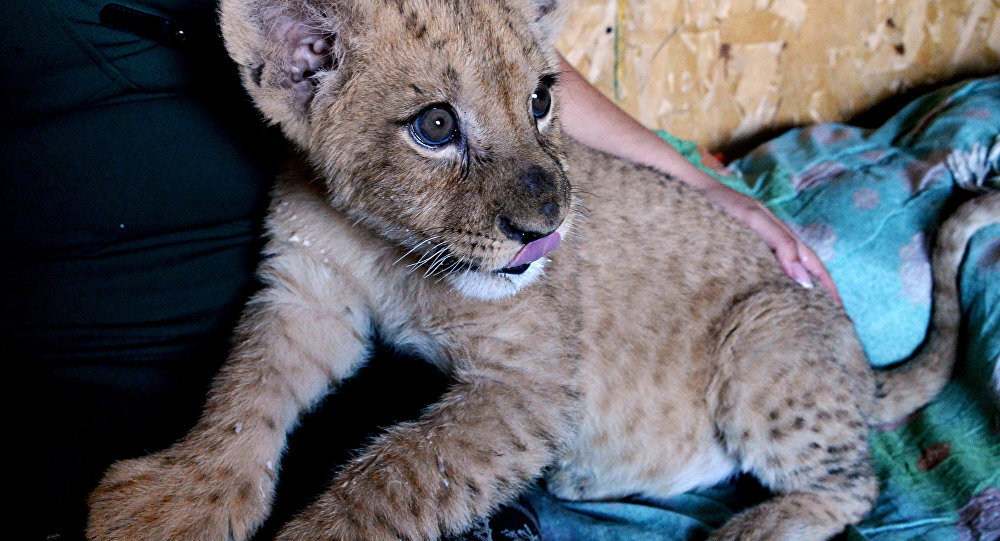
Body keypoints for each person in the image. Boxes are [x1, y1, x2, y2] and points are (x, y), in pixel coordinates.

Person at [3, 2, 837, 540]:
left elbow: (522, 399)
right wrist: (218, 461)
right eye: (437, 126)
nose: (543, 218)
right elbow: (299, 314)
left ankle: (837, 497)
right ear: (298, 70)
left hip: (725, 357)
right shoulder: (322, 140)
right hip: (82, 356)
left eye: (537, 104)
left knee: (778, 354)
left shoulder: (472, 73)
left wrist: (695, 176)